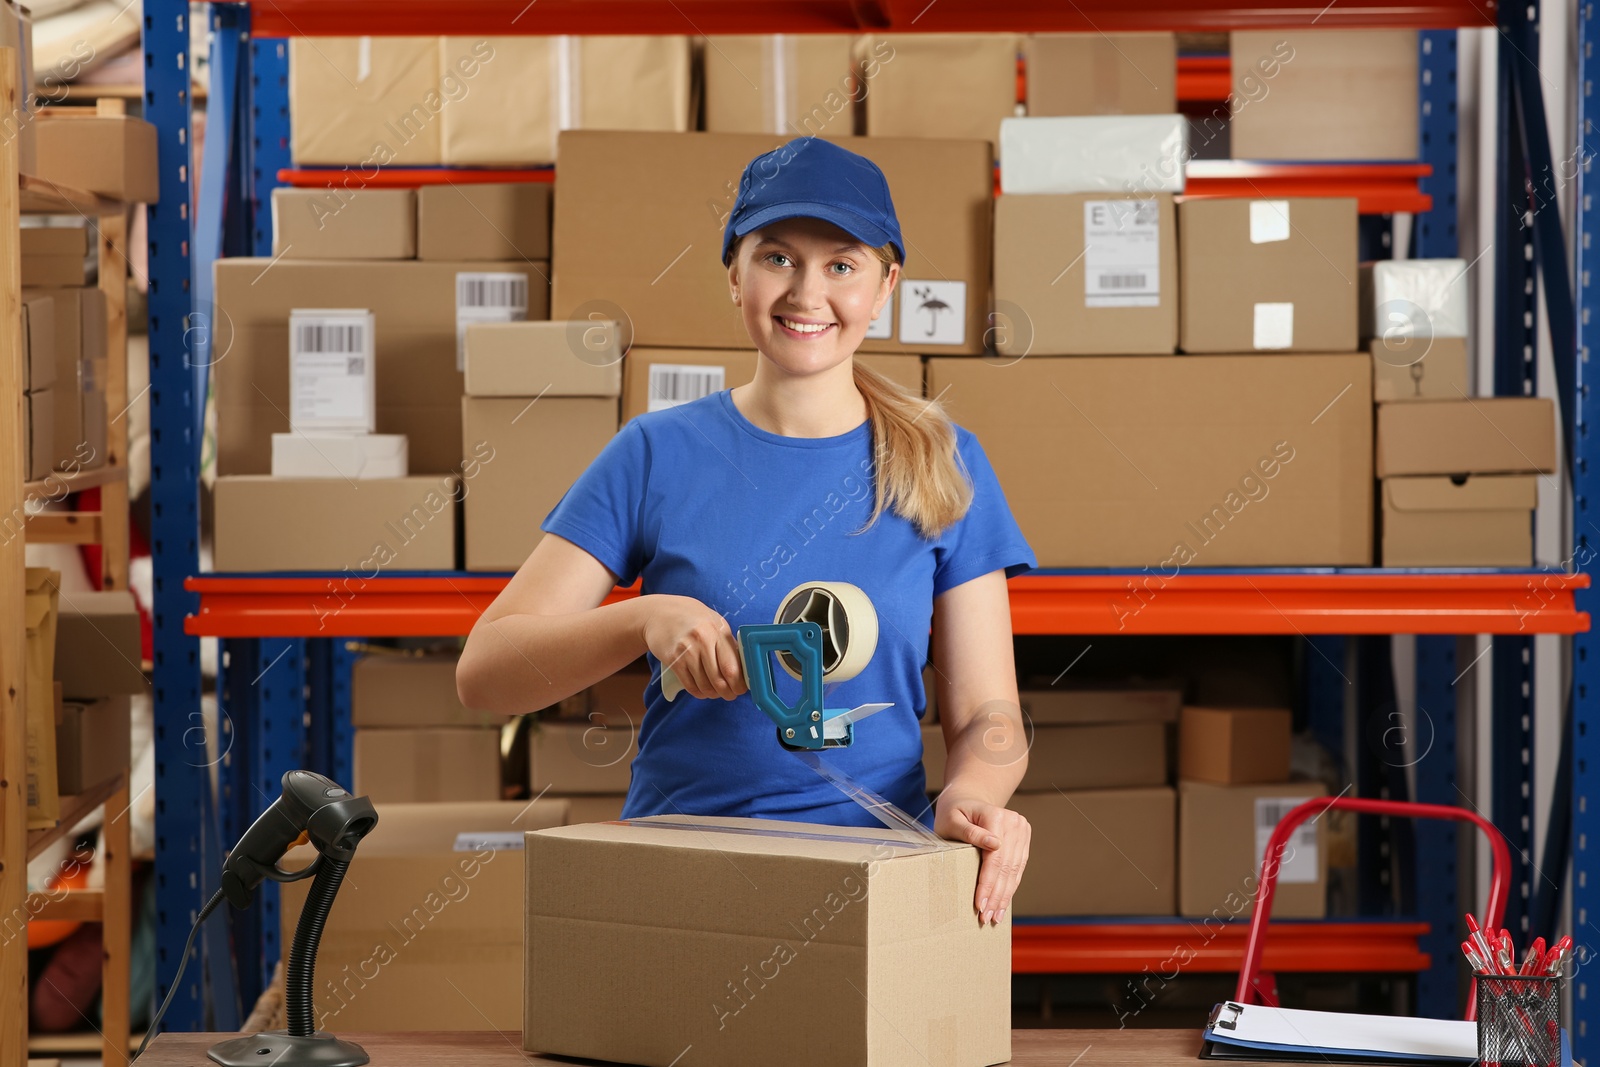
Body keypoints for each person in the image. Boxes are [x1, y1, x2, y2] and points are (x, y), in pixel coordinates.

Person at [457, 136, 1036, 925]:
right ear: (734, 273)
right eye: (777, 258)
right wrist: (642, 619)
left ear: (886, 285)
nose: (807, 292)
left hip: (875, 883)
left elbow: (989, 718)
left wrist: (971, 797)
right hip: (683, 880)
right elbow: (485, 675)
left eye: (842, 264)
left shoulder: (944, 462)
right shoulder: (655, 453)